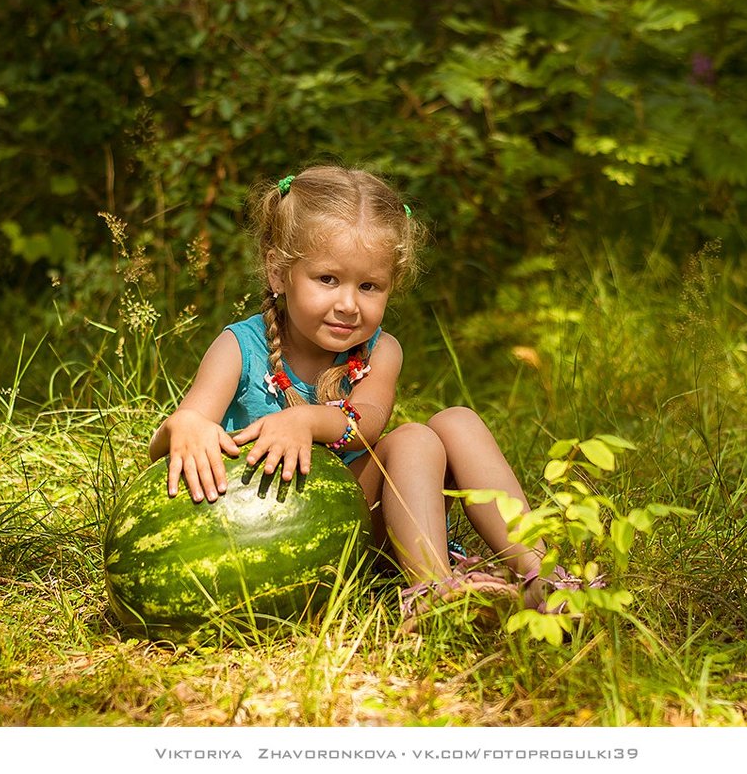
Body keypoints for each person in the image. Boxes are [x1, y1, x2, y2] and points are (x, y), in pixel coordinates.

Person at [147, 165, 571, 628]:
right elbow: (179, 432)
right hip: (276, 531)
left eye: (369, 286)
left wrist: (306, 420)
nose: (349, 304)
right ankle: (433, 591)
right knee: (415, 439)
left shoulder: (380, 350)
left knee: (455, 421)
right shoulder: (238, 348)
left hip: (369, 523)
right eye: (327, 279)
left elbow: (365, 422)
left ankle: (540, 576)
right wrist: (184, 425)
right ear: (278, 272)